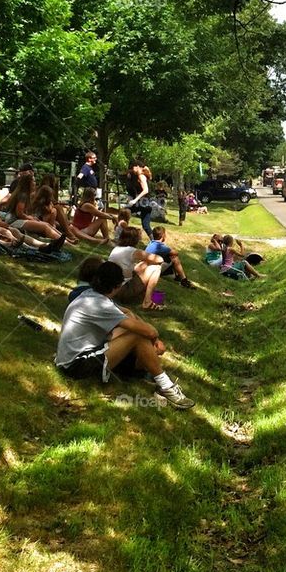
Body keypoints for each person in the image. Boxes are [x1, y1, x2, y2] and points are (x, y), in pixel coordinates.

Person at [55, 261, 194, 407]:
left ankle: (146, 370)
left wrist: (152, 338)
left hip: (76, 357)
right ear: (117, 287)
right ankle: (166, 387)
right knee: (137, 335)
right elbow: (149, 331)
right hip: (76, 365)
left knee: (135, 334)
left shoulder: (92, 295)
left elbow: (128, 312)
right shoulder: (100, 305)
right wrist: (155, 339)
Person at [0, 174, 66, 247]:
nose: (35, 183)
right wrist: (30, 218)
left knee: (47, 225)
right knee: (45, 227)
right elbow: (19, 214)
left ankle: (65, 240)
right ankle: (63, 242)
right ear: (28, 183)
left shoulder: (27, 195)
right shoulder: (23, 195)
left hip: (18, 220)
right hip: (14, 221)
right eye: (33, 181)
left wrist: (32, 217)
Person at [108, 225, 166, 310]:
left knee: (144, 263)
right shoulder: (132, 251)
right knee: (156, 267)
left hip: (112, 288)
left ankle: (149, 296)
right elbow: (159, 259)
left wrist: (146, 262)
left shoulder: (117, 248)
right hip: (122, 289)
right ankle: (147, 302)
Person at [124, 159, 154, 237]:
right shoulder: (136, 175)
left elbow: (146, 190)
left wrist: (134, 200)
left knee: (124, 212)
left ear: (137, 167)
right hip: (144, 203)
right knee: (146, 225)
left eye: (132, 168)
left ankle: (121, 234)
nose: (131, 170)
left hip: (143, 203)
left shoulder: (141, 176)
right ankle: (154, 241)